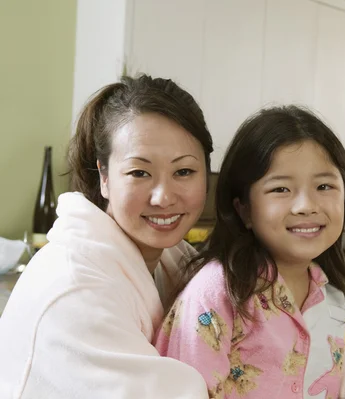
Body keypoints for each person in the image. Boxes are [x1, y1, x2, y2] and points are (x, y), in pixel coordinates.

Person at [154, 105, 345, 399]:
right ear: (244, 209)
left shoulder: (329, 295)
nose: (306, 205)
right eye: (281, 189)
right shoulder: (218, 292)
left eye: (324, 186)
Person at [0, 75, 214, 398]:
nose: (163, 197)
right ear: (104, 177)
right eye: (139, 172)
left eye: (183, 171)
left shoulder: (172, 259)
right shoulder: (77, 287)